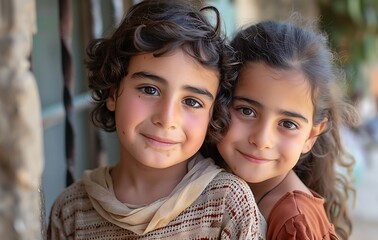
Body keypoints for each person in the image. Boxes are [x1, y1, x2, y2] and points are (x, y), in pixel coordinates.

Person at [46, 0, 266, 239]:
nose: (167, 118)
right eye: (150, 90)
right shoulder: (71, 212)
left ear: (212, 114)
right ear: (112, 92)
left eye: (192, 102)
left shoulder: (227, 205)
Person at [213, 20, 357, 239]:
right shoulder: (206, 179)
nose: (262, 140)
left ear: (311, 136)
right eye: (246, 111)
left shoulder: (293, 222)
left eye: (288, 124)